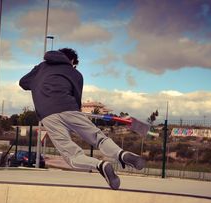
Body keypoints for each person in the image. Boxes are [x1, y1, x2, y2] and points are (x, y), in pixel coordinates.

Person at [19, 48, 145, 190]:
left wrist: (38, 72)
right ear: (72, 61)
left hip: (48, 115)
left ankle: (100, 165)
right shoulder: (76, 74)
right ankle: (121, 154)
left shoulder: (42, 67)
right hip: (70, 108)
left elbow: (23, 82)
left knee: (72, 156)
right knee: (99, 138)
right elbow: (77, 99)